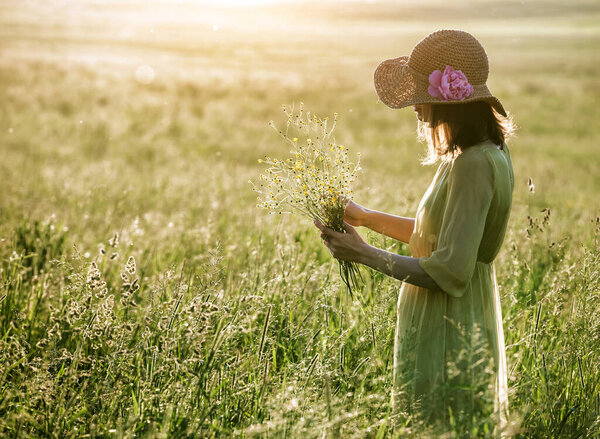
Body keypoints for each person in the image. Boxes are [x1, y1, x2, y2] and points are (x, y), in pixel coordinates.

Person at [314, 29, 514, 436]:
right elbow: (440, 237)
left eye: (421, 99)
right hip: (448, 316)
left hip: (449, 325)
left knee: (438, 425)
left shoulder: (471, 165)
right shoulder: (479, 154)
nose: (417, 110)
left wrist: (364, 255)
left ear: (447, 103)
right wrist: (364, 216)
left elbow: (452, 269)